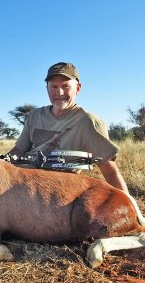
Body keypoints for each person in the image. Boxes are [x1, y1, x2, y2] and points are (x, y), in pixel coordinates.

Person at [9, 62, 129, 194]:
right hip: (22, 180)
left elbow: (110, 171)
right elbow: (19, 150)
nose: (59, 92)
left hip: (57, 189)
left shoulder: (88, 121)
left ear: (78, 88)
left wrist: (132, 209)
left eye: (65, 86)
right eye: (54, 86)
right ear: (47, 88)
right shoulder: (35, 115)